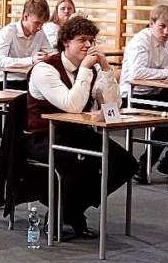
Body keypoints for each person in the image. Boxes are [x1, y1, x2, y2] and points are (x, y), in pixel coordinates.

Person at [26, 15, 135, 240]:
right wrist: (85, 68)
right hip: (43, 136)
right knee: (80, 164)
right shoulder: (45, 69)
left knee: (125, 164)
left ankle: (70, 210)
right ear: (66, 42)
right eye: (82, 40)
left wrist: (106, 69)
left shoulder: (92, 70)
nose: (88, 45)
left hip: (77, 132)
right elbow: (72, 105)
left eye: (91, 40)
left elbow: (113, 104)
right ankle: (64, 215)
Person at [121, 4, 168, 183]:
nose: (166, 32)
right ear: (151, 24)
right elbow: (137, 73)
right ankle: (144, 164)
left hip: (157, 91)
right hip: (133, 94)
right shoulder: (140, 41)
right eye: (162, 27)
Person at [0, 0, 54, 86]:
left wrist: (47, 58)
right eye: (37, 23)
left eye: (42, 23)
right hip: (5, 81)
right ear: (25, 16)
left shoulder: (40, 33)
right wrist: (30, 60)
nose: (40, 27)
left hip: (29, 80)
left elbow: (51, 54)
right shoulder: (8, 32)